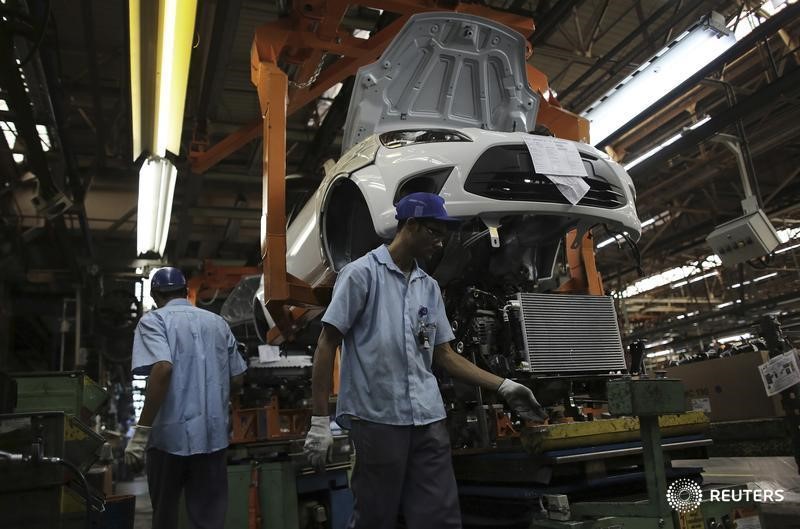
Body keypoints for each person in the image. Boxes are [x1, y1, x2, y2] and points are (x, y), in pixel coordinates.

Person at [303, 192, 546, 529]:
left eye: (443, 236)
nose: (440, 243)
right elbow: (327, 343)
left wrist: (504, 386)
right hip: (377, 417)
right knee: (375, 516)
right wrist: (319, 421)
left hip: (428, 420)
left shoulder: (428, 287)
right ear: (411, 226)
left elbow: (444, 355)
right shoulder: (361, 275)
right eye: (434, 232)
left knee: (439, 518)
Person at [124, 267, 247, 529]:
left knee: (165, 516)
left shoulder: (153, 321)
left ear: (156, 295)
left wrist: (141, 432)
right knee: (209, 520)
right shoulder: (218, 323)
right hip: (212, 438)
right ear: (184, 291)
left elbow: (163, 368)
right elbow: (238, 378)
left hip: (168, 440)